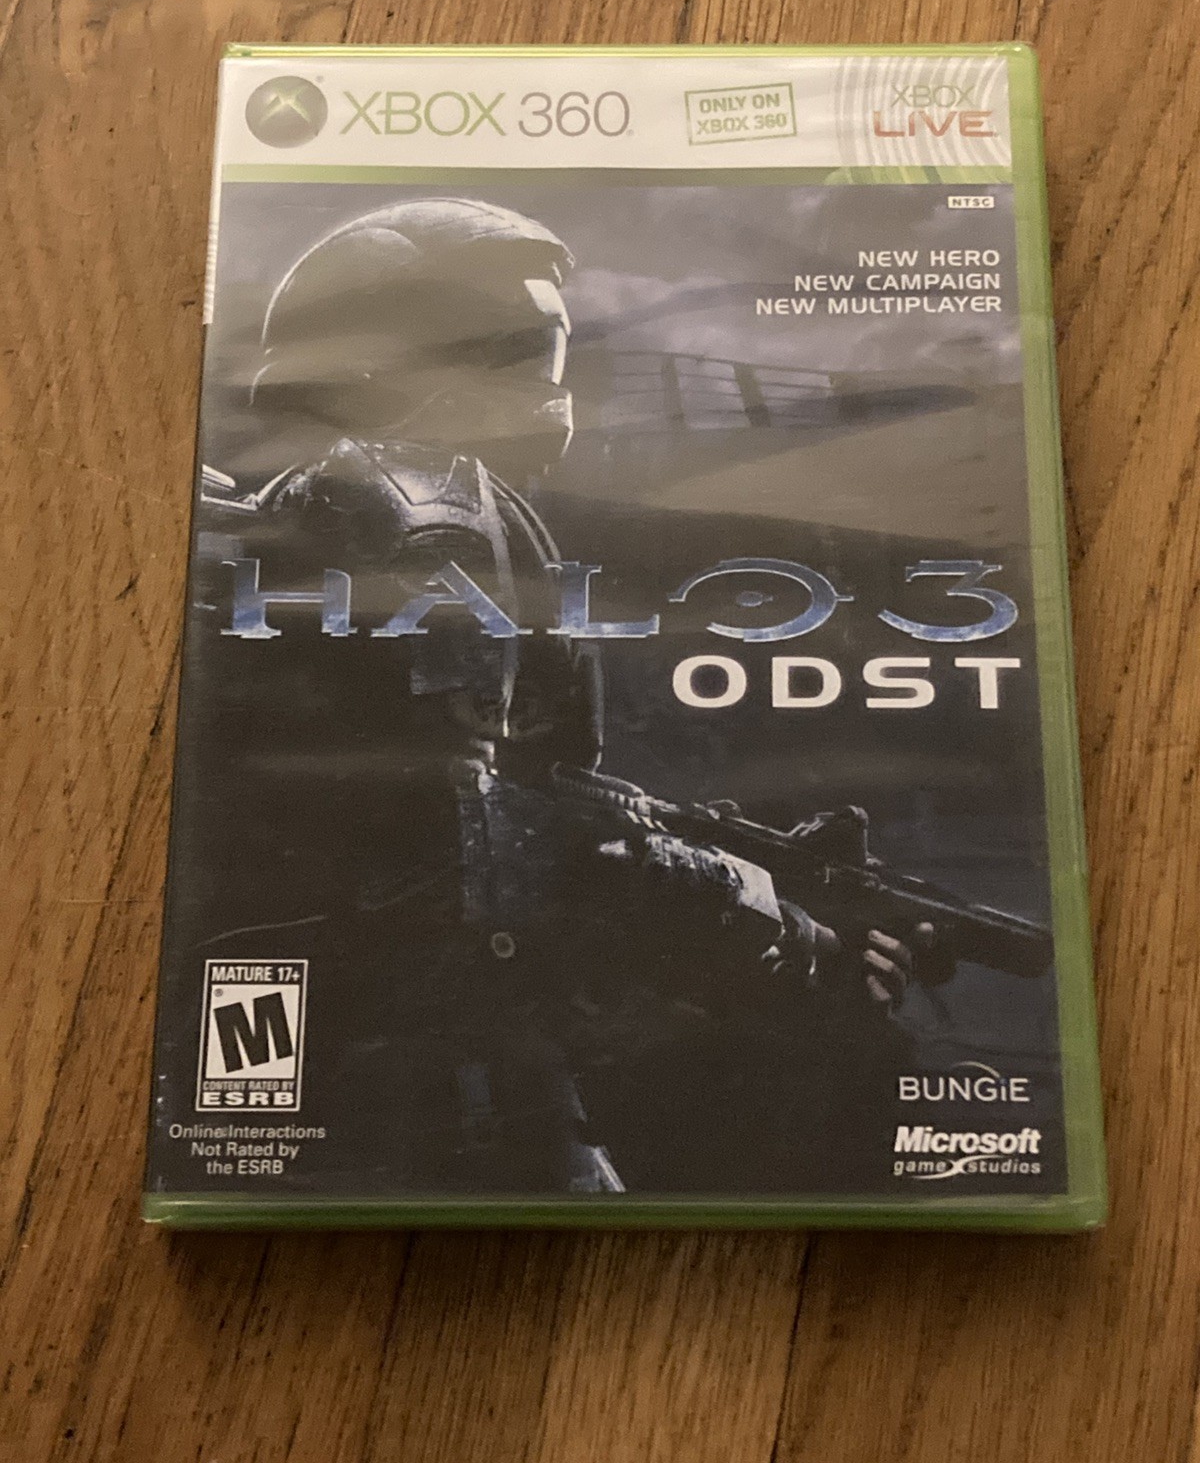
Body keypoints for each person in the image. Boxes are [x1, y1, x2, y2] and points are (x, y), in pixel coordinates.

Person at [190, 197, 923, 1194]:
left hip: (342, 1038)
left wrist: (747, 864)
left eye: (548, 347)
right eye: (516, 349)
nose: (549, 387)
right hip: (407, 1066)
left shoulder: (354, 502)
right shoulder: (420, 508)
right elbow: (472, 841)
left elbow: (514, 786)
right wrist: (777, 928)